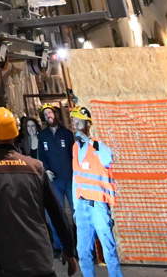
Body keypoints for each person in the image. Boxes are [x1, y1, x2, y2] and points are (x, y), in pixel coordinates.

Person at [0, 107, 78, 277]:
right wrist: (69, 252)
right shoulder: (35, 166)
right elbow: (57, 212)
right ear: (16, 131)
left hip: (9, 262)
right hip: (41, 258)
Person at [67, 105, 121, 277]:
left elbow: (108, 158)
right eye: (74, 121)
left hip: (98, 206)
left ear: (87, 124)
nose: (76, 125)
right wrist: (75, 208)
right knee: (83, 252)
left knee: (109, 250)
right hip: (82, 206)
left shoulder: (98, 146)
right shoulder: (75, 148)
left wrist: (89, 140)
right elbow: (76, 178)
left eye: (79, 121)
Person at [36, 105, 75, 256]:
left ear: (55, 114)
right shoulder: (43, 135)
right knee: (57, 214)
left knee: (75, 213)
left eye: (50, 113)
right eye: (45, 115)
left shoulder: (66, 133)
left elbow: (73, 155)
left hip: (70, 179)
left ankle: (76, 244)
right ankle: (60, 245)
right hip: (55, 181)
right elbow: (42, 156)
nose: (48, 116)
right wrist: (46, 169)